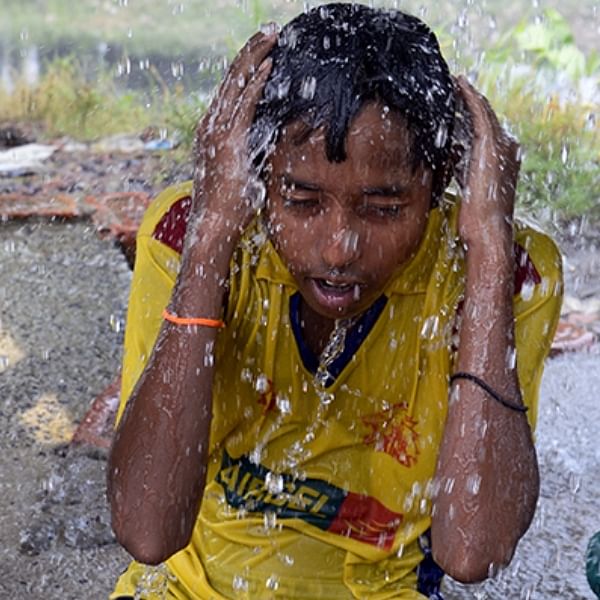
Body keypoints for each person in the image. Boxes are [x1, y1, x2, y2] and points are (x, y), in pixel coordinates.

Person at [107, 4, 563, 598]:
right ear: (255, 169)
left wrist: (490, 254)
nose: (339, 248)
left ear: (446, 174)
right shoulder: (190, 233)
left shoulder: (503, 273)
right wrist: (213, 237)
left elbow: (472, 551)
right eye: (300, 200)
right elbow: (146, 532)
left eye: (383, 208)